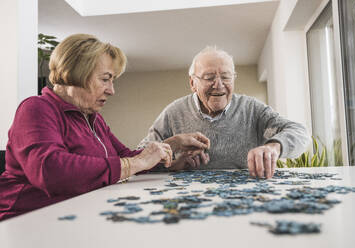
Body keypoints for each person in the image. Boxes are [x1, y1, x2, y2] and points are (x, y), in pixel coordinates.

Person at [0, 34, 207, 221]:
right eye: (106, 79)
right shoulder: (36, 108)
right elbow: (51, 171)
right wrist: (134, 163)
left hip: (77, 215)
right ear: (76, 73)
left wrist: (172, 148)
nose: (112, 90)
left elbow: (129, 157)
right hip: (26, 221)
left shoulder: (93, 119)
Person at [138, 46, 310, 179]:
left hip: (244, 198)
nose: (218, 84)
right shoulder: (173, 113)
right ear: (193, 83)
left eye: (226, 77)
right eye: (209, 77)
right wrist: (174, 165)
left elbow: (301, 133)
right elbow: (140, 157)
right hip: (190, 202)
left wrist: (274, 147)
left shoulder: (252, 109)